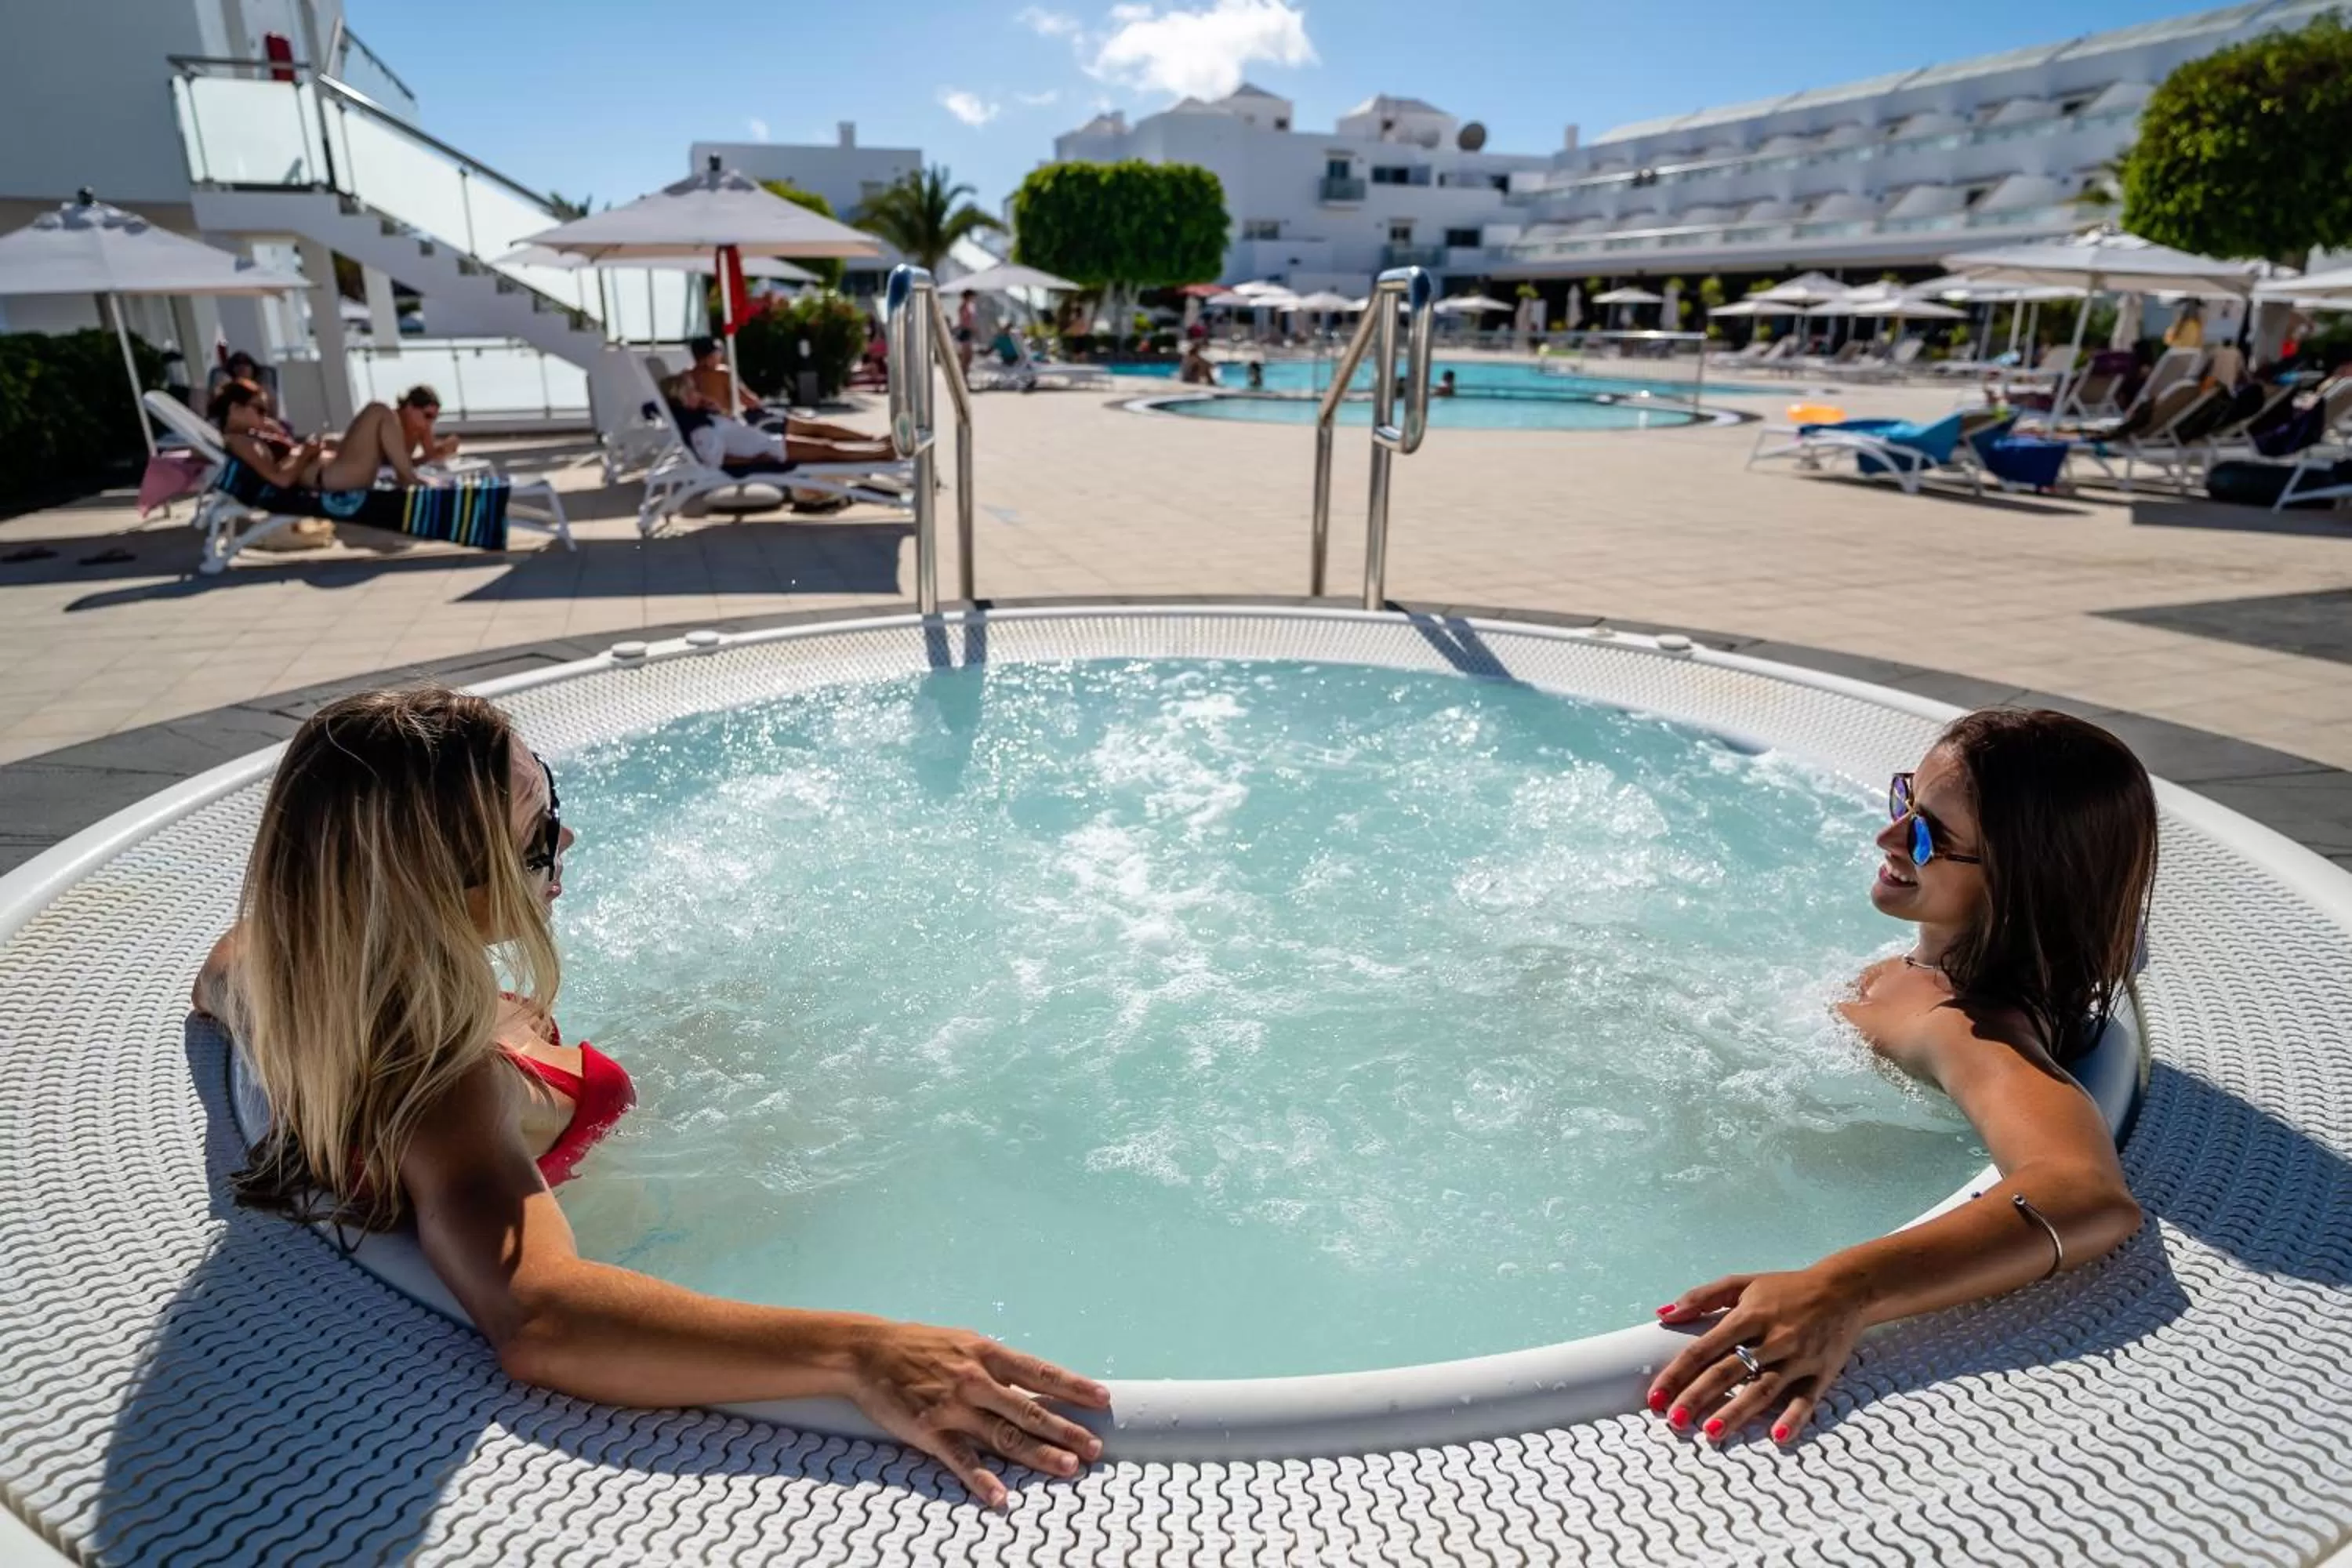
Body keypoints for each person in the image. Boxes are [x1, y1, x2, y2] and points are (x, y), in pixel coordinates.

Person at [191, 687, 1109, 1508]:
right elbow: (541, 1315)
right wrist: (860, 1350)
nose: (568, 841)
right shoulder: (443, 1086)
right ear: (436, 888)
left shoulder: (289, 974)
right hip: (669, 1219)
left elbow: (225, 968)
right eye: (538, 835)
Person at [1645, 709, 2153, 1446]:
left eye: (1929, 835)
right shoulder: (1939, 970)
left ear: (2019, 879)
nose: (1888, 836)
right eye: (1905, 801)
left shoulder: (1964, 1027)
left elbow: (2086, 1197)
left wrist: (1843, 1288)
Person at [209, 379, 428, 492]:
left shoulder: (253, 434)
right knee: (378, 410)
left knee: (372, 421)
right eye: (259, 410)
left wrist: (298, 444)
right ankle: (408, 477)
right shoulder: (242, 442)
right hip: (332, 477)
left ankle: (406, 475)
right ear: (235, 409)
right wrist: (306, 452)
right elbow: (281, 480)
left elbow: (285, 457)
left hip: (334, 470)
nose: (264, 416)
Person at [397, 385, 463, 465]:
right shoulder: (390, 422)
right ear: (409, 407)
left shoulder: (422, 425)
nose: (430, 422)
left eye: (434, 418)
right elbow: (394, 463)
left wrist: (442, 450)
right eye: (428, 415)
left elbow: (430, 456)